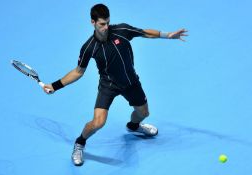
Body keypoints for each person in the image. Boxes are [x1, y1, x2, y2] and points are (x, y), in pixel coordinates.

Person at [43, 4, 188, 166]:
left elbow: (145, 33)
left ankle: (133, 127)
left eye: (107, 23)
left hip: (131, 82)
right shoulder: (89, 47)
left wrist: (168, 35)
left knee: (144, 113)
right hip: (108, 85)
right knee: (98, 122)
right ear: (93, 22)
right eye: (101, 24)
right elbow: (78, 72)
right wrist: (54, 86)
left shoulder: (122, 31)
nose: (105, 27)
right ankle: (80, 143)